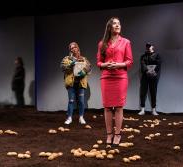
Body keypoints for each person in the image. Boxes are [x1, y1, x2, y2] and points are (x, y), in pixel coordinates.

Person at [96, 17, 133, 145]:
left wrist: (118, 65)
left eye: (119, 24)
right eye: (114, 24)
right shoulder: (102, 44)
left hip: (120, 77)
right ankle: (109, 134)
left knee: (118, 107)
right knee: (107, 107)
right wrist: (106, 65)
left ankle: (117, 135)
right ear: (109, 27)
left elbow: (129, 61)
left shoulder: (126, 42)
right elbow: (99, 62)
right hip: (106, 77)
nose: (117, 25)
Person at [61, 42, 91, 125]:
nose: (73, 49)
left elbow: (89, 68)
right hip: (71, 83)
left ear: (77, 48)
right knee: (71, 100)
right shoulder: (67, 59)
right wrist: (71, 64)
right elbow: (63, 67)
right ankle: (69, 118)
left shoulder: (83, 59)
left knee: (81, 101)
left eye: (74, 47)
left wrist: (84, 72)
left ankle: (81, 117)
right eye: (71, 48)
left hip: (81, 82)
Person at [138, 42, 161, 116]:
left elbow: (159, 64)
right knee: (143, 92)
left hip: (154, 76)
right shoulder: (143, 56)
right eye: (147, 46)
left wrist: (154, 71)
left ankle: (153, 110)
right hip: (145, 76)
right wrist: (147, 71)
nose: (148, 47)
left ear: (152, 47)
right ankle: (142, 110)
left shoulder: (157, 55)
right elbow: (142, 64)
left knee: (153, 92)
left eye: (149, 46)